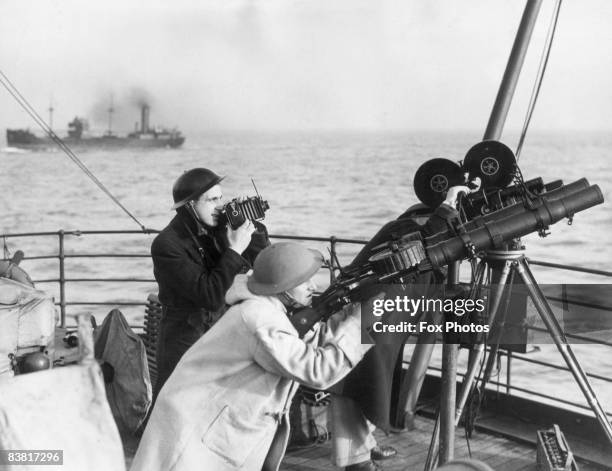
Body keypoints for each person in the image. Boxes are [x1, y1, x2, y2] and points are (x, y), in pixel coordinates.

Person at [131, 242, 373, 471]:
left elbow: (304, 344)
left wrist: (345, 317)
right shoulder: (259, 319)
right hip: (194, 431)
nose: (314, 287)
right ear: (283, 288)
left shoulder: (266, 308)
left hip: (200, 418)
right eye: (304, 282)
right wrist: (363, 324)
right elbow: (317, 371)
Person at [329, 185, 470, 471]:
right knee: (353, 386)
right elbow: (414, 245)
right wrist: (445, 212)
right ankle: (355, 462)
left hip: (383, 320)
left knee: (371, 383)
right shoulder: (405, 229)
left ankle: (364, 446)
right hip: (363, 317)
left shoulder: (415, 230)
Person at [151, 168, 269, 398]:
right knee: (175, 405)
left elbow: (263, 266)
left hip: (221, 330)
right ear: (190, 205)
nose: (220, 206)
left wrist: (250, 229)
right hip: (186, 337)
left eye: (221, 198)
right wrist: (234, 249)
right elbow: (210, 295)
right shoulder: (167, 245)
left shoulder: (217, 230)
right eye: (212, 200)